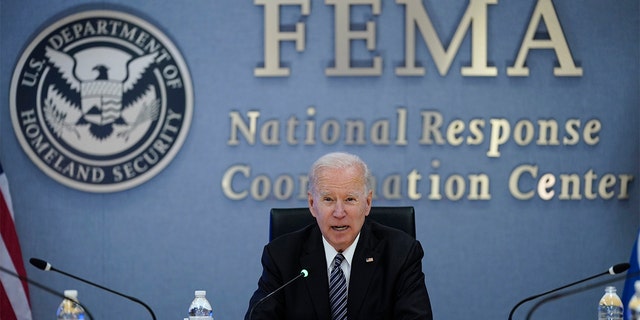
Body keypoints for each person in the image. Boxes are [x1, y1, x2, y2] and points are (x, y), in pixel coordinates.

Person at [245, 152, 433, 320]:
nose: (339, 212)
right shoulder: (281, 256)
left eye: (350, 199)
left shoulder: (401, 253)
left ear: (367, 203)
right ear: (312, 204)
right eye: (328, 199)